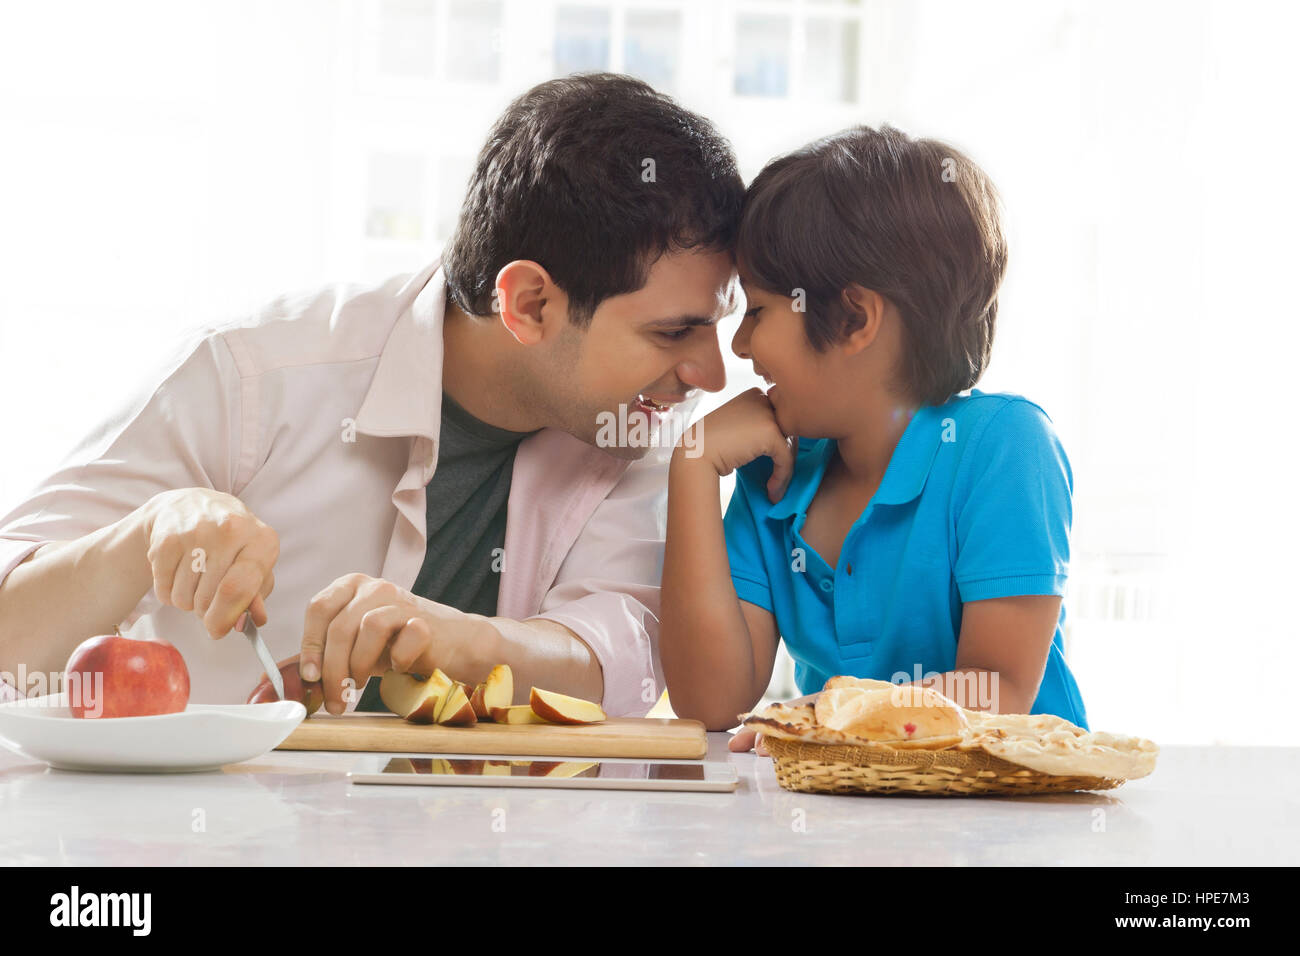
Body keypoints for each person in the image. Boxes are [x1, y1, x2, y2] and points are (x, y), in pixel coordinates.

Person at [0, 73, 743, 717]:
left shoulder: (627, 427)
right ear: (529, 305)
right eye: (675, 332)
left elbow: (619, 657)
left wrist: (463, 641)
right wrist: (146, 536)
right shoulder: (253, 375)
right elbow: (9, 646)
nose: (711, 375)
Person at [658, 124, 1089, 747]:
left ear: (855, 318)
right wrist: (692, 466)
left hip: (1011, 824)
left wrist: (820, 716)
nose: (742, 345)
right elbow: (711, 702)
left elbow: (997, 687)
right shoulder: (775, 471)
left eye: (757, 312)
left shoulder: (1006, 447)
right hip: (852, 821)